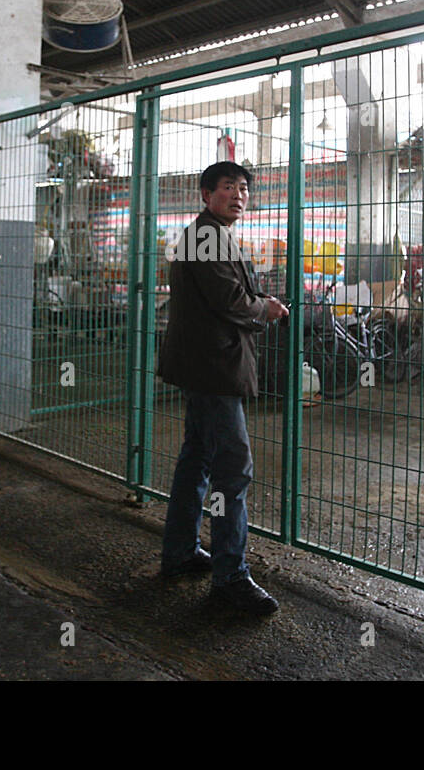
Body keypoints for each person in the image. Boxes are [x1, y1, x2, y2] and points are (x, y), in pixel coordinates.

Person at [157, 161, 289, 615]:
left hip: (201, 365)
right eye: (229, 187)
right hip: (213, 368)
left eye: (244, 188)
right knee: (233, 469)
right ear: (206, 194)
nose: (239, 195)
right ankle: (230, 577)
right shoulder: (208, 235)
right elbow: (229, 300)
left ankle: (178, 553)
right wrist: (265, 308)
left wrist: (254, 304)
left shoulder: (206, 233)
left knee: (196, 458)